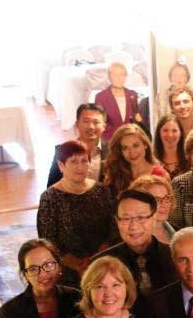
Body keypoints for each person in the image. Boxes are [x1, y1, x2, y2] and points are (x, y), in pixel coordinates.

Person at [37, 140, 114, 285]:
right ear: (61, 166)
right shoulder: (49, 197)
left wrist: (97, 259)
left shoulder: (101, 190)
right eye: (73, 161)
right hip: (67, 269)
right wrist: (79, 265)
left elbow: (112, 228)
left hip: (103, 261)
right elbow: (48, 240)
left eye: (84, 161)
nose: (80, 167)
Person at [95, 189, 177, 305]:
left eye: (141, 218)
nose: (133, 226)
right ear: (117, 221)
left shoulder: (175, 256)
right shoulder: (100, 263)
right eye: (126, 219)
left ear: (154, 218)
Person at [47, 103, 107, 187]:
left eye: (96, 122)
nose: (91, 127)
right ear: (77, 124)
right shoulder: (63, 150)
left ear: (104, 126)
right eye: (86, 121)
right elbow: (52, 186)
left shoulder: (111, 152)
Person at [104, 123, 168, 196]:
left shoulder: (160, 175)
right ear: (120, 151)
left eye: (136, 146)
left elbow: (168, 205)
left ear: (145, 145)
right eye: (125, 148)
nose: (132, 152)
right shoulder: (116, 174)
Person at [95, 61, 142, 142]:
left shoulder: (132, 95)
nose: (118, 78)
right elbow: (99, 123)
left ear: (125, 76)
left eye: (122, 75)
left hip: (130, 140)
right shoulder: (101, 97)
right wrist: (119, 136)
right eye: (115, 74)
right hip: (110, 141)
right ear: (109, 76)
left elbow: (137, 119)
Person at [129, 174, 177, 243]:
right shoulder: (132, 237)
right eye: (156, 199)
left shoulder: (179, 233)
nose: (164, 204)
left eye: (166, 198)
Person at [153, 115, 189, 179]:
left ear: (181, 133)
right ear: (159, 133)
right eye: (165, 130)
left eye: (174, 130)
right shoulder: (152, 161)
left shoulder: (189, 160)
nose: (170, 135)